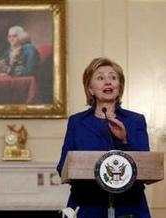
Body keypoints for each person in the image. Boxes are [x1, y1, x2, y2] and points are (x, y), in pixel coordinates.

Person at [56, 57, 151, 218]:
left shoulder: (135, 121)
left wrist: (124, 140)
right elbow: (63, 168)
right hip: (88, 205)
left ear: (119, 87)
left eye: (113, 78)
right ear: (90, 89)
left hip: (128, 204)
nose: (108, 82)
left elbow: (147, 167)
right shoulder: (77, 122)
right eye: (100, 78)